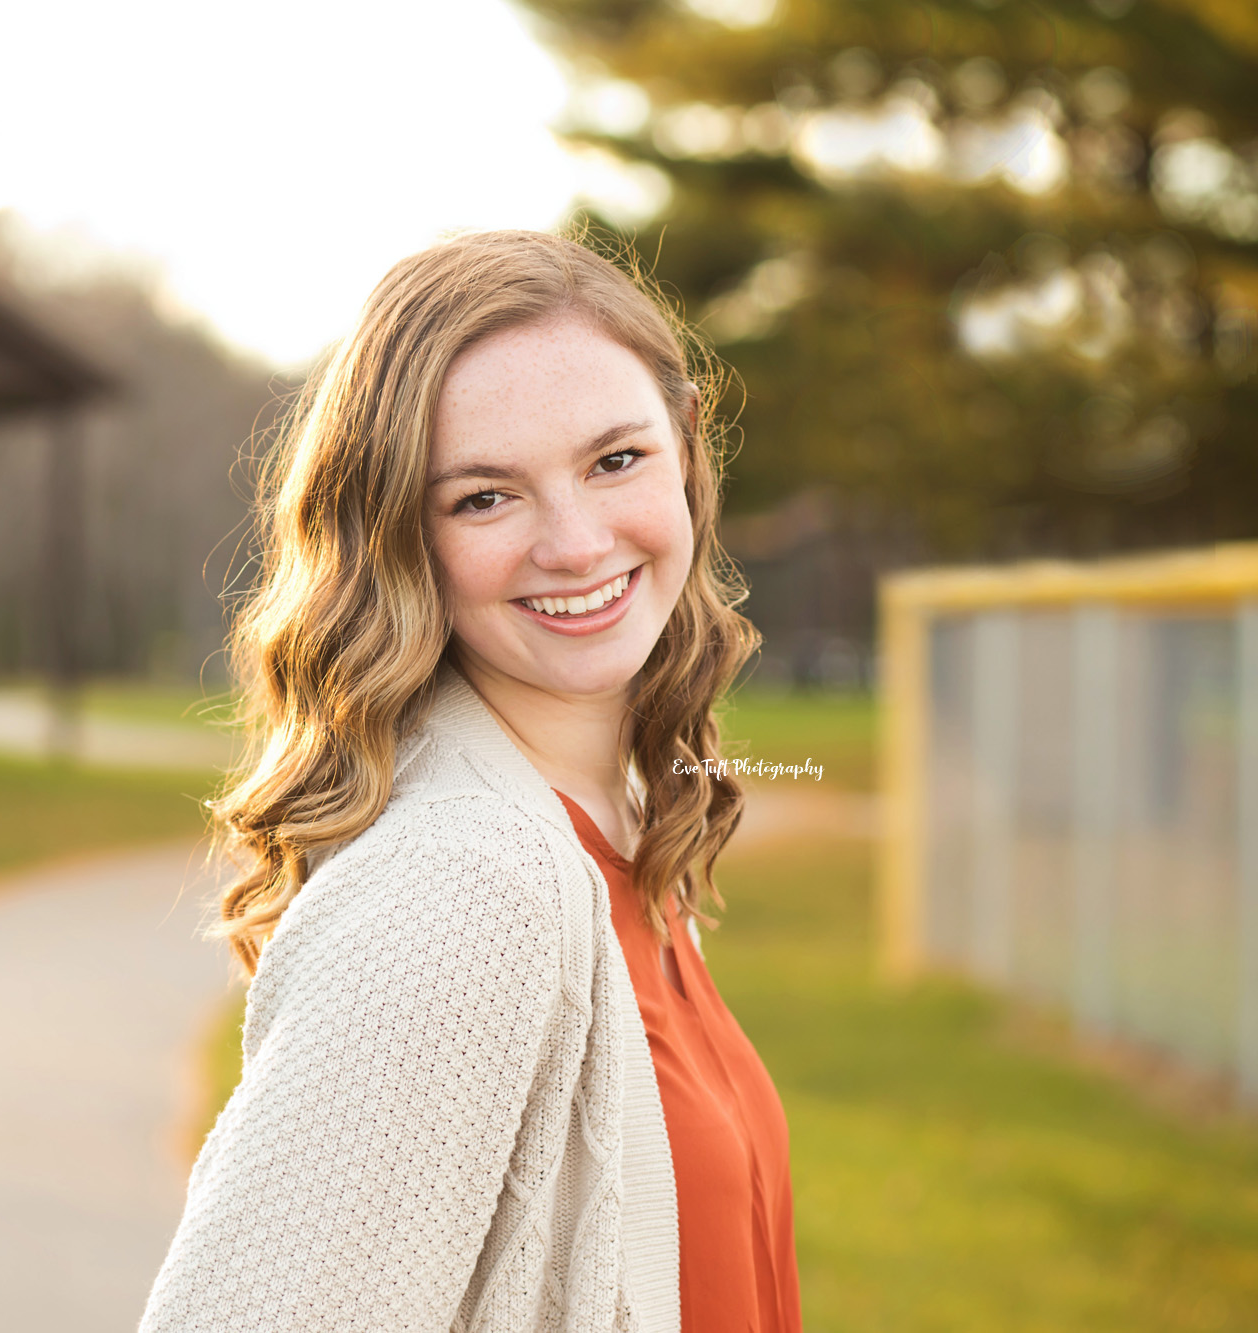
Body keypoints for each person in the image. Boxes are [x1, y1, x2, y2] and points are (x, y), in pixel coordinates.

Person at [140, 230, 798, 1333]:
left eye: (615, 459)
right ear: (397, 537)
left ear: (684, 448)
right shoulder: (463, 887)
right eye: (484, 498)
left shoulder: (608, 830)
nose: (576, 542)